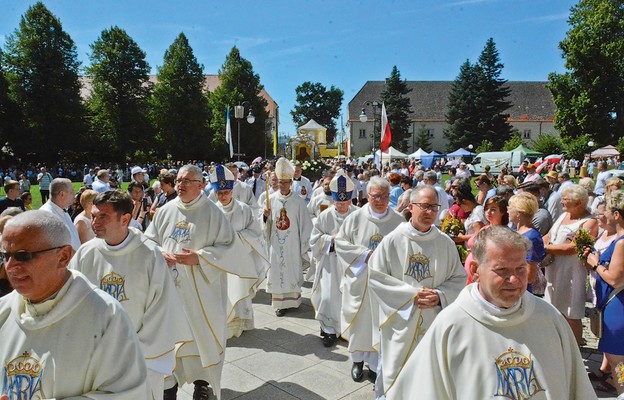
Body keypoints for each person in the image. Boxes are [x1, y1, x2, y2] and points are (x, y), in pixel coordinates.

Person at [389, 226, 597, 400]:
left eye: (520, 269)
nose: (514, 280)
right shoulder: (452, 324)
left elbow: (577, 388)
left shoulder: (548, 318)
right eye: (502, 270)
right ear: (475, 270)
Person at [0, 210, 149, 398]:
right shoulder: (4, 310)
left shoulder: (105, 316)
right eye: (6, 255)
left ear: (63, 256)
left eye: (23, 256)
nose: (10, 266)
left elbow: (127, 394)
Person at [70, 190, 192, 400]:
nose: (95, 223)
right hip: (97, 354)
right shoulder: (85, 252)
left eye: (103, 217)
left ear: (125, 219)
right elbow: (72, 299)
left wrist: (130, 350)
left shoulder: (149, 255)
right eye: (93, 216)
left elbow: (161, 311)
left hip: (139, 356)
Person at [145, 164, 251, 400]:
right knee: (169, 338)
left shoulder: (213, 213)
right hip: (170, 290)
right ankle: (168, 385)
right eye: (178, 180)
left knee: (201, 337)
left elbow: (230, 249)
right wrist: (159, 252)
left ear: (201, 185)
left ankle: (201, 385)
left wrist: (199, 258)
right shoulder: (165, 210)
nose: (180, 185)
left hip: (204, 290)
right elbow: (148, 240)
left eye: (186, 181)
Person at [367, 185, 466, 397]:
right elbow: (376, 277)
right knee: (395, 372)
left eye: (434, 207)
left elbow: (459, 278)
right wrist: (411, 296)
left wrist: (439, 295)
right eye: (425, 206)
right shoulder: (393, 240)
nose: (430, 212)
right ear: (411, 207)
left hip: (433, 321)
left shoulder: (445, 243)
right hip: (400, 322)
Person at [335, 176, 404, 382]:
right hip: (360, 280)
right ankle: (357, 361)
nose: (380, 200)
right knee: (361, 322)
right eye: (375, 196)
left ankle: (375, 366)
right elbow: (341, 244)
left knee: (380, 323)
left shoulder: (399, 221)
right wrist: (365, 255)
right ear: (367, 196)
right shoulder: (355, 218)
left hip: (385, 283)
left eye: (384, 196)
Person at [209, 165, 267, 338]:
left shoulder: (244, 209)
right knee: (223, 293)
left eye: (226, 192)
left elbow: (255, 233)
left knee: (240, 290)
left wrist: (237, 239)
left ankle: (242, 322)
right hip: (220, 259)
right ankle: (226, 325)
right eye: (220, 193)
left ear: (232, 190)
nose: (223, 196)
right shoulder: (211, 211)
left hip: (240, 257)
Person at [543, 184, 598, 344]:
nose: (561, 203)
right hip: (554, 268)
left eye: (565, 200)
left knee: (571, 311)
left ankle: (576, 344)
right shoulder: (564, 215)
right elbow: (549, 234)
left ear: (579, 202)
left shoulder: (589, 222)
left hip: (572, 272)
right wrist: (540, 242)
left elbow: (571, 248)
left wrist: (545, 248)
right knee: (554, 307)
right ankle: (557, 341)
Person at [583, 190, 624, 397]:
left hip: (617, 306)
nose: (603, 213)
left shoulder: (622, 242)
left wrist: (595, 263)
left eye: (606, 210)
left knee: (618, 361)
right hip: (614, 304)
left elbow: (615, 278)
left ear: (616, 214)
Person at [310, 172, 358, 347]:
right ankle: (329, 330)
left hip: (351, 266)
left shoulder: (358, 215)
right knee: (329, 297)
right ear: (333, 200)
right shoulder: (325, 216)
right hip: (330, 263)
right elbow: (314, 240)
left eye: (345, 202)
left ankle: (348, 330)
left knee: (349, 298)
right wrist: (331, 239)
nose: (342, 205)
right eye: (338, 202)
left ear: (350, 199)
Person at [262, 158, 313, 316]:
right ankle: (280, 305)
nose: (282, 185)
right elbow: (265, 224)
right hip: (276, 244)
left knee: (291, 269)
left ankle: (293, 301)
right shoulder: (271, 199)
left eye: (286, 182)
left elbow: (306, 225)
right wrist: (265, 216)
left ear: (291, 182)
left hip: (292, 243)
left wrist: (303, 244)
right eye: (280, 182)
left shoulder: (298, 202)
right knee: (278, 270)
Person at [508, 192, 545, 293]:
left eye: (510, 208)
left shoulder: (531, 237)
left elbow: (530, 276)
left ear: (518, 213)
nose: (508, 210)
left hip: (520, 290)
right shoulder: (518, 232)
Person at [39, 178, 81, 251]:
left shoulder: (62, 210)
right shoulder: (48, 215)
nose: (74, 195)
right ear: (62, 194)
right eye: (71, 192)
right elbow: (56, 248)